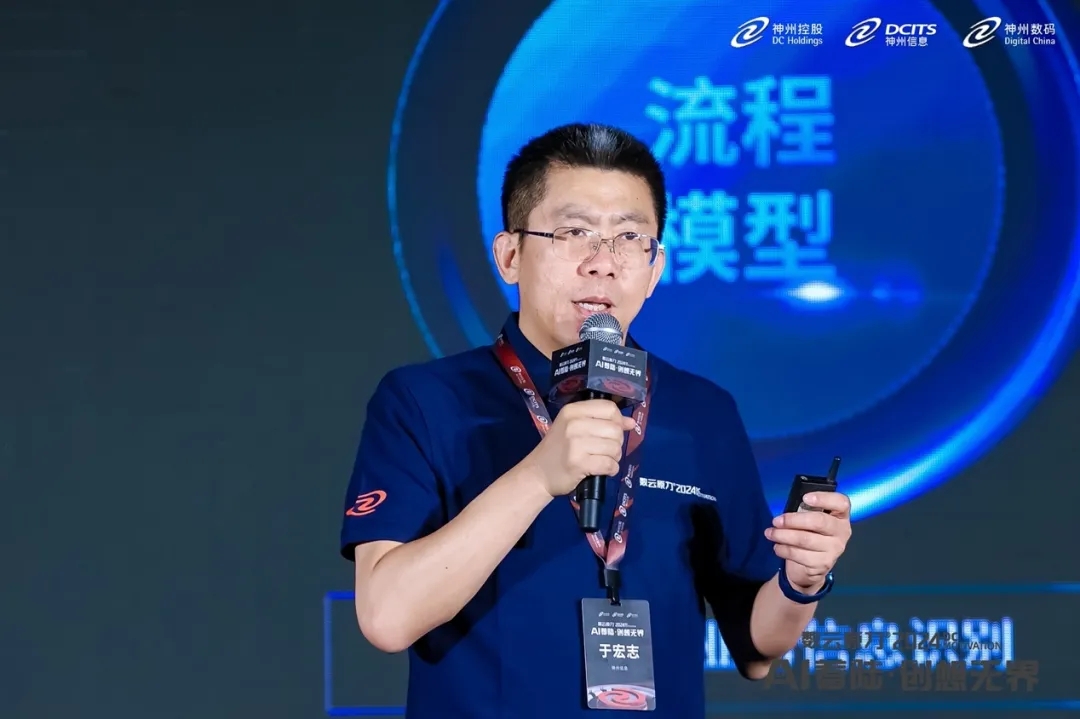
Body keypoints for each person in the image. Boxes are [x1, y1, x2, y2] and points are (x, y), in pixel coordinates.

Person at [339, 123, 853, 718]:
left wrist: (801, 579)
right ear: (510, 255)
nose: (603, 263)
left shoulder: (703, 412)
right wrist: (538, 476)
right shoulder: (424, 399)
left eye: (629, 238)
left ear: (655, 268)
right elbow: (387, 617)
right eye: (573, 232)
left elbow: (757, 645)